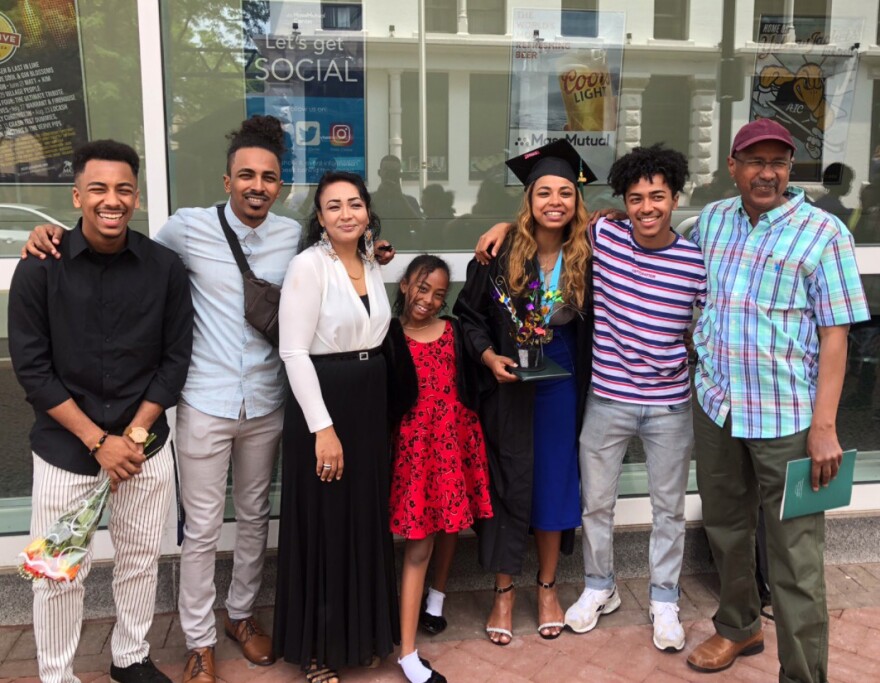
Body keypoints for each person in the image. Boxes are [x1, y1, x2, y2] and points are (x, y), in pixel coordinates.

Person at [21, 116, 397, 683]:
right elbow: (122, 245)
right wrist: (49, 234)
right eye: (245, 175)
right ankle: (198, 640)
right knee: (199, 528)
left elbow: (339, 249)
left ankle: (241, 617)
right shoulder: (185, 230)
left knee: (251, 518)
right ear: (227, 182)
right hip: (202, 402)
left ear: (281, 187)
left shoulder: (292, 235)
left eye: (269, 177)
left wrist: (376, 247)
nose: (257, 186)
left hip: (269, 402)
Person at [685, 118, 869, 682]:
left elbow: (835, 335)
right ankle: (739, 627)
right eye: (755, 161)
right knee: (726, 529)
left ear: (791, 169)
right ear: (733, 167)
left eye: (779, 162)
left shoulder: (823, 233)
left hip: (788, 418)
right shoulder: (711, 222)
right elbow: (652, 240)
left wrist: (825, 427)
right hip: (718, 406)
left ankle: (804, 675)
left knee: (795, 558)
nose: (767, 172)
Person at [8, 140, 194, 683]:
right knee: (58, 570)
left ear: (136, 198)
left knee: (140, 559)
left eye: (122, 190)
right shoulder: (40, 269)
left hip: (143, 450)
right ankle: (57, 674)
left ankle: (130, 657)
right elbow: (33, 369)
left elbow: (175, 360)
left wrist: (130, 437)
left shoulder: (165, 268)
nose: (110, 200)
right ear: (77, 195)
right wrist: (98, 442)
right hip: (67, 450)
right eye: (98, 189)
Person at [563, 145, 706, 652]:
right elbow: (546, 227)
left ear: (674, 199)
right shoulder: (604, 234)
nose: (647, 208)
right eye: (636, 198)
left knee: (668, 508)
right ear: (624, 202)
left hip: (670, 406)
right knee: (595, 504)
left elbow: (705, 328)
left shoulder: (694, 262)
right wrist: (496, 231)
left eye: (658, 197)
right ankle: (600, 587)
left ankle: (664, 598)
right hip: (607, 400)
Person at [454, 139, 595, 645]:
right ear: (529, 200)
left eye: (564, 192)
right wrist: (489, 358)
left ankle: (547, 586)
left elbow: (628, 217)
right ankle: (504, 589)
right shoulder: (500, 254)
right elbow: (468, 317)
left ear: (576, 203)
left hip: (561, 386)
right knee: (507, 482)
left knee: (555, 483)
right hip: (510, 384)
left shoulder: (591, 255)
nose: (554, 201)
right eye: (543, 192)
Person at [274, 171, 399, 683]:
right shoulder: (308, 266)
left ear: (367, 211)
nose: (346, 213)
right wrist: (322, 429)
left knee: (363, 519)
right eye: (333, 206)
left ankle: (361, 635)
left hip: (368, 401)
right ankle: (318, 649)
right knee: (325, 523)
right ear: (320, 217)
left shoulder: (369, 261)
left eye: (355, 204)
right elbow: (293, 350)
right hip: (323, 402)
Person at [390, 255, 493, 683]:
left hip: (453, 438)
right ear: (403, 286)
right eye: (420, 288)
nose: (428, 300)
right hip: (413, 447)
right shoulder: (388, 335)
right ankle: (408, 652)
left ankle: (438, 596)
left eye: (437, 293)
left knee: (452, 522)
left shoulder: (452, 330)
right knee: (419, 542)